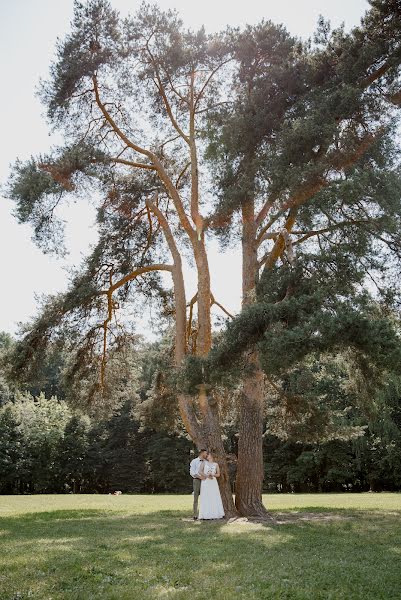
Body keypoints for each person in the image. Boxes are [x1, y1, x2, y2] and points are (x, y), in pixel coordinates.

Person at [198, 451, 225, 520]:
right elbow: (200, 471)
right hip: (206, 482)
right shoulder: (204, 462)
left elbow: (218, 474)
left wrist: (212, 474)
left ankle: (215, 514)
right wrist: (207, 476)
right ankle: (205, 514)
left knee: (214, 496)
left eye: (208, 454)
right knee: (206, 496)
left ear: (212, 455)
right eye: (207, 455)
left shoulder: (216, 464)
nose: (207, 455)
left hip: (213, 482)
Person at [189, 448, 208, 520]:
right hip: (197, 480)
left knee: (205, 497)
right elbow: (192, 472)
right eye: (205, 453)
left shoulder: (206, 462)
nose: (206, 455)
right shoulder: (194, 461)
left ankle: (204, 514)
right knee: (196, 497)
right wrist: (200, 477)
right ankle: (195, 514)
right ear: (202, 453)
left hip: (205, 481)